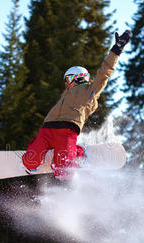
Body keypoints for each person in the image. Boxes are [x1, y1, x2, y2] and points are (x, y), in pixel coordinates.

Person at [22, 30, 131, 179]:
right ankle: (33, 164)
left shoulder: (89, 90)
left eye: (68, 80)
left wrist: (116, 50)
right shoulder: (66, 93)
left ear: (77, 77)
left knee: (64, 171)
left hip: (67, 131)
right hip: (47, 129)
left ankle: (78, 153)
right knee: (30, 161)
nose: (66, 84)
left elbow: (104, 73)